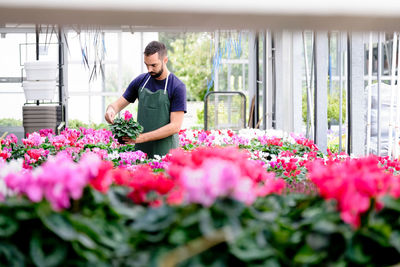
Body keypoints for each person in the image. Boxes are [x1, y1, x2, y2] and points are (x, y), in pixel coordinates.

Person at [105, 41, 187, 158]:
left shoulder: (177, 86)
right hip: (141, 152)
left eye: (153, 65)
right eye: (146, 65)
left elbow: (175, 126)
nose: (149, 69)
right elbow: (116, 105)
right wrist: (110, 110)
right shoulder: (141, 81)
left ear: (165, 60)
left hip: (166, 152)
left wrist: (141, 138)